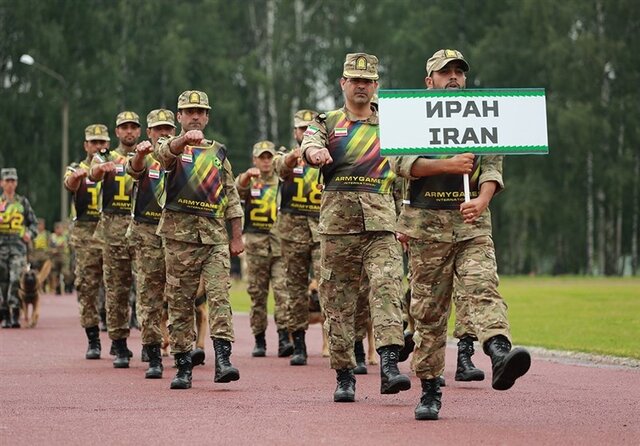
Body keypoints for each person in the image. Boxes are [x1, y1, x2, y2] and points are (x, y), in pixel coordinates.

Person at [394, 48, 531, 421]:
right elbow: (402, 164)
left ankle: (500, 352)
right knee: (428, 314)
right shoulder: (411, 117)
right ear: (429, 81)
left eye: (459, 72)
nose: (453, 77)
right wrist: (447, 164)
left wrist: (483, 200)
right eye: (444, 73)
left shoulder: (483, 116)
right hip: (426, 229)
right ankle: (430, 390)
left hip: (471, 227)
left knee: (483, 286)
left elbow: (492, 167)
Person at [301, 53, 410, 403]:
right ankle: (345, 374)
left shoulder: (394, 126)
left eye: (368, 80)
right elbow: (309, 142)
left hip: (382, 226)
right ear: (343, 83)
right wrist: (314, 152)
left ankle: (390, 364)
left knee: (387, 290)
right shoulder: (328, 122)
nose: (361, 85)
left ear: (376, 85)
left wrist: (407, 220)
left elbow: (408, 172)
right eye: (354, 79)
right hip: (337, 228)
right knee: (337, 303)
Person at [154, 90, 244, 390]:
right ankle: (182, 364)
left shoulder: (219, 152)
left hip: (214, 237)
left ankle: (223, 359)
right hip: (179, 238)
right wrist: (183, 140)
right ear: (179, 116)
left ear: (207, 116)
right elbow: (163, 155)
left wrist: (236, 236)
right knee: (180, 302)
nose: (195, 116)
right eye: (189, 111)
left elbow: (230, 196)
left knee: (220, 296)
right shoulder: (171, 147)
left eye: (200, 111)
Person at [126, 109, 176, 379]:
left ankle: (183, 348)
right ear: (149, 132)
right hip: (146, 232)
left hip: (175, 230)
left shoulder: (183, 154)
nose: (163, 133)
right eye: (158, 129)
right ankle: (154, 353)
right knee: (149, 296)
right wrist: (140, 154)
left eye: (168, 127)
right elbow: (133, 170)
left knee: (180, 293)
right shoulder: (144, 157)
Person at [89, 111, 141, 368]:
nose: (129, 131)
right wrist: (100, 169)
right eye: (124, 127)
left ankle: (152, 343)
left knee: (147, 287)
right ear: (117, 132)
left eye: (133, 127)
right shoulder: (106, 156)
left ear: (139, 131)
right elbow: (93, 173)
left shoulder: (148, 155)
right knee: (117, 288)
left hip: (143, 228)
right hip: (113, 228)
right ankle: (119, 342)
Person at [273, 109, 321, 366]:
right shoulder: (287, 156)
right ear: (295, 132)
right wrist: (296, 155)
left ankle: (340, 343)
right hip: (293, 232)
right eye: (301, 129)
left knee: (329, 284)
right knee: (295, 287)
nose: (305, 132)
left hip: (323, 227)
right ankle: (299, 343)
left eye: (309, 128)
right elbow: (280, 168)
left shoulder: (326, 153)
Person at [237, 140, 293, 358]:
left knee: (282, 293)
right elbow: (235, 191)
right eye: (262, 157)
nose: (266, 161)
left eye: (269, 157)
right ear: (255, 160)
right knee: (257, 294)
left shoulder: (281, 180)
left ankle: (283, 338)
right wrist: (245, 178)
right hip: (255, 244)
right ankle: (259, 339)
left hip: (279, 245)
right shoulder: (249, 180)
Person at [64, 124, 109, 358]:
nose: (98, 146)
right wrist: (76, 178)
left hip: (113, 232)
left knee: (118, 287)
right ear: (86, 145)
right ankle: (93, 339)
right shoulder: (76, 168)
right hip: (86, 236)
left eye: (102, 142)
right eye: (94, 142)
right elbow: (69, 183)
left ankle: (120, 335)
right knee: (87, 288)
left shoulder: (117, 165)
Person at [0, 168, 38, 328]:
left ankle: (15, 312)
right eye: (7, 181)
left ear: (16, 183)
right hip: (1, 247)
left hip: (18, 248)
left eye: (13, 181)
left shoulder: (22, 202)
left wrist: (29, 233)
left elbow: (33, 223)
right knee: (3, 282)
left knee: (16, 279)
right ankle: (5, 313)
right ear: (2, 183)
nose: (10, 184)